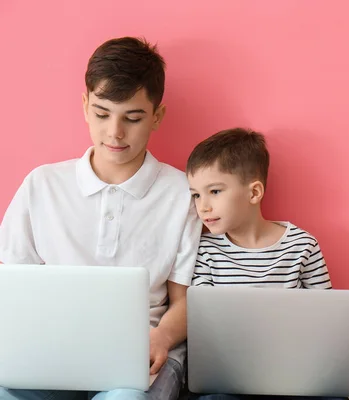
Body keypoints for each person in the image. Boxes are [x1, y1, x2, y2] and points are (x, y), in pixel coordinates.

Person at [0, 36, 202, 400]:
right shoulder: (42, 184)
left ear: (157, 116)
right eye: (102, 113)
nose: (115, 132)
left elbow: (185, 301)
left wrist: (161, 337)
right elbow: (12, 285)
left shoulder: (181, 194)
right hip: (50, 352)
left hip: (140, 354)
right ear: (84, 105)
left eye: (133, 117)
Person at [186, 128, 346, 400]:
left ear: (254, 192)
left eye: (214, 191)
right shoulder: (205, 251)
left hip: (293, 368)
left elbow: (326, 319)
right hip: (229, 372)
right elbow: (201, 324)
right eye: (196, 195)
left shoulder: (302, 245)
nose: (203, 207)